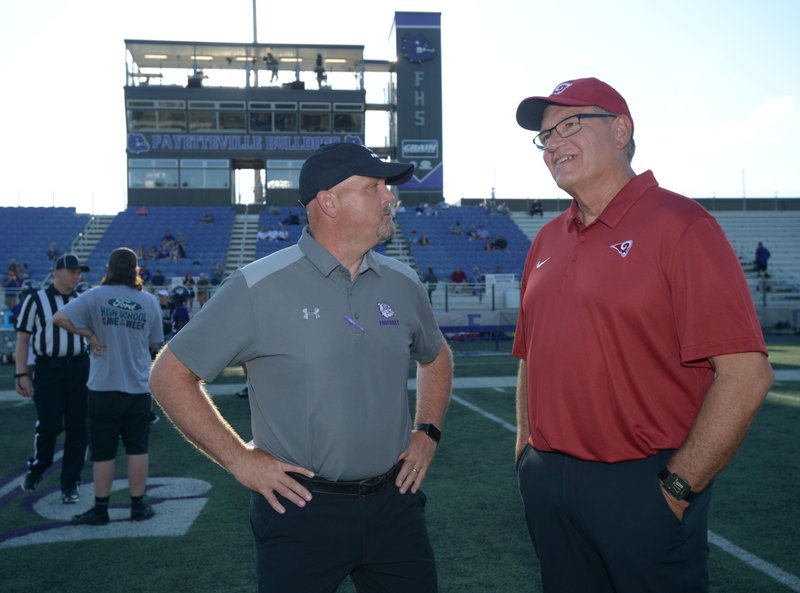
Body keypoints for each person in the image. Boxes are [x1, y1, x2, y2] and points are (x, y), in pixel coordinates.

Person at [149, 141, 453, 593]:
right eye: (374, 187)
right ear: (328, 202)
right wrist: (239, 460)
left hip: (396, 505)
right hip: (301, 509)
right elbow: (169, 374)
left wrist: (427, 433)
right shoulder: (257, 287)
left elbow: (437, 356)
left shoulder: (404, 282)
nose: (390, 197)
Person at [512, 77, 775, 593]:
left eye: (569, 125)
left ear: (620, 129)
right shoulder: (545, 237)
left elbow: (746, 376)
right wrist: (525, 454)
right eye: (545, 137)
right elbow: (529, 355)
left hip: (641, 484)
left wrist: (677, 488)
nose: (554, 144)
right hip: (549, 483)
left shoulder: (682, 225)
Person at [53, 247, 163, 525]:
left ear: (109, 268)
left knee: (103, 451)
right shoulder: (149, 301)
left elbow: (59, 318)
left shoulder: (95, 296)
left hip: (103, 387)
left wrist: (89, 333)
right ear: (136, 269)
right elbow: (154, 342)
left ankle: (101, 509)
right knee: (138, 449)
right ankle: (138, 506)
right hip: (138, 387)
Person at [15, 254, 91, 504]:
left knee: (78, 429)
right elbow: (23, 339)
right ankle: (38, 467)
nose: (77, 276)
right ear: (57, 272)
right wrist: (22, 374)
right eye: (73, 272)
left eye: (79, 272)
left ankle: (70, 483)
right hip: (48, 370)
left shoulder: (82, 300)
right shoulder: (36, 301)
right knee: (49, 426)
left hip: (79, 369)